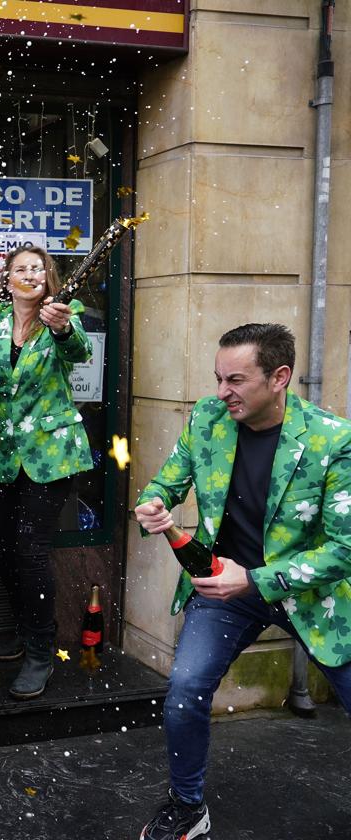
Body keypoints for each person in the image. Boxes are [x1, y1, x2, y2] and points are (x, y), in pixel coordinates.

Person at [132, 323, 351, 840]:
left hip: (312, 596)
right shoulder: (209, 418)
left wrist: (253, 578)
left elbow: (345, 549)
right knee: (184, 692)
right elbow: (168, 479)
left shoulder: (332, 439)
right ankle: (187, 806)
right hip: (223, 592)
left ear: (279, 377)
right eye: (217, 378)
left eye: (235, 380)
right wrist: (155, 501)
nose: (221, 392)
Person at [0, 246, 92, 700]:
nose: (30, 274)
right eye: (21, 269)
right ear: (8, 278)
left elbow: (80, 351)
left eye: (38, 268)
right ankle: (23, 624)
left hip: (51, 454)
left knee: (31, 550)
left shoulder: (62, 314)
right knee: (2, 546)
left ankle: (41, 649)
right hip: (3, 453)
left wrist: (63, 328)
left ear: (47, 276)